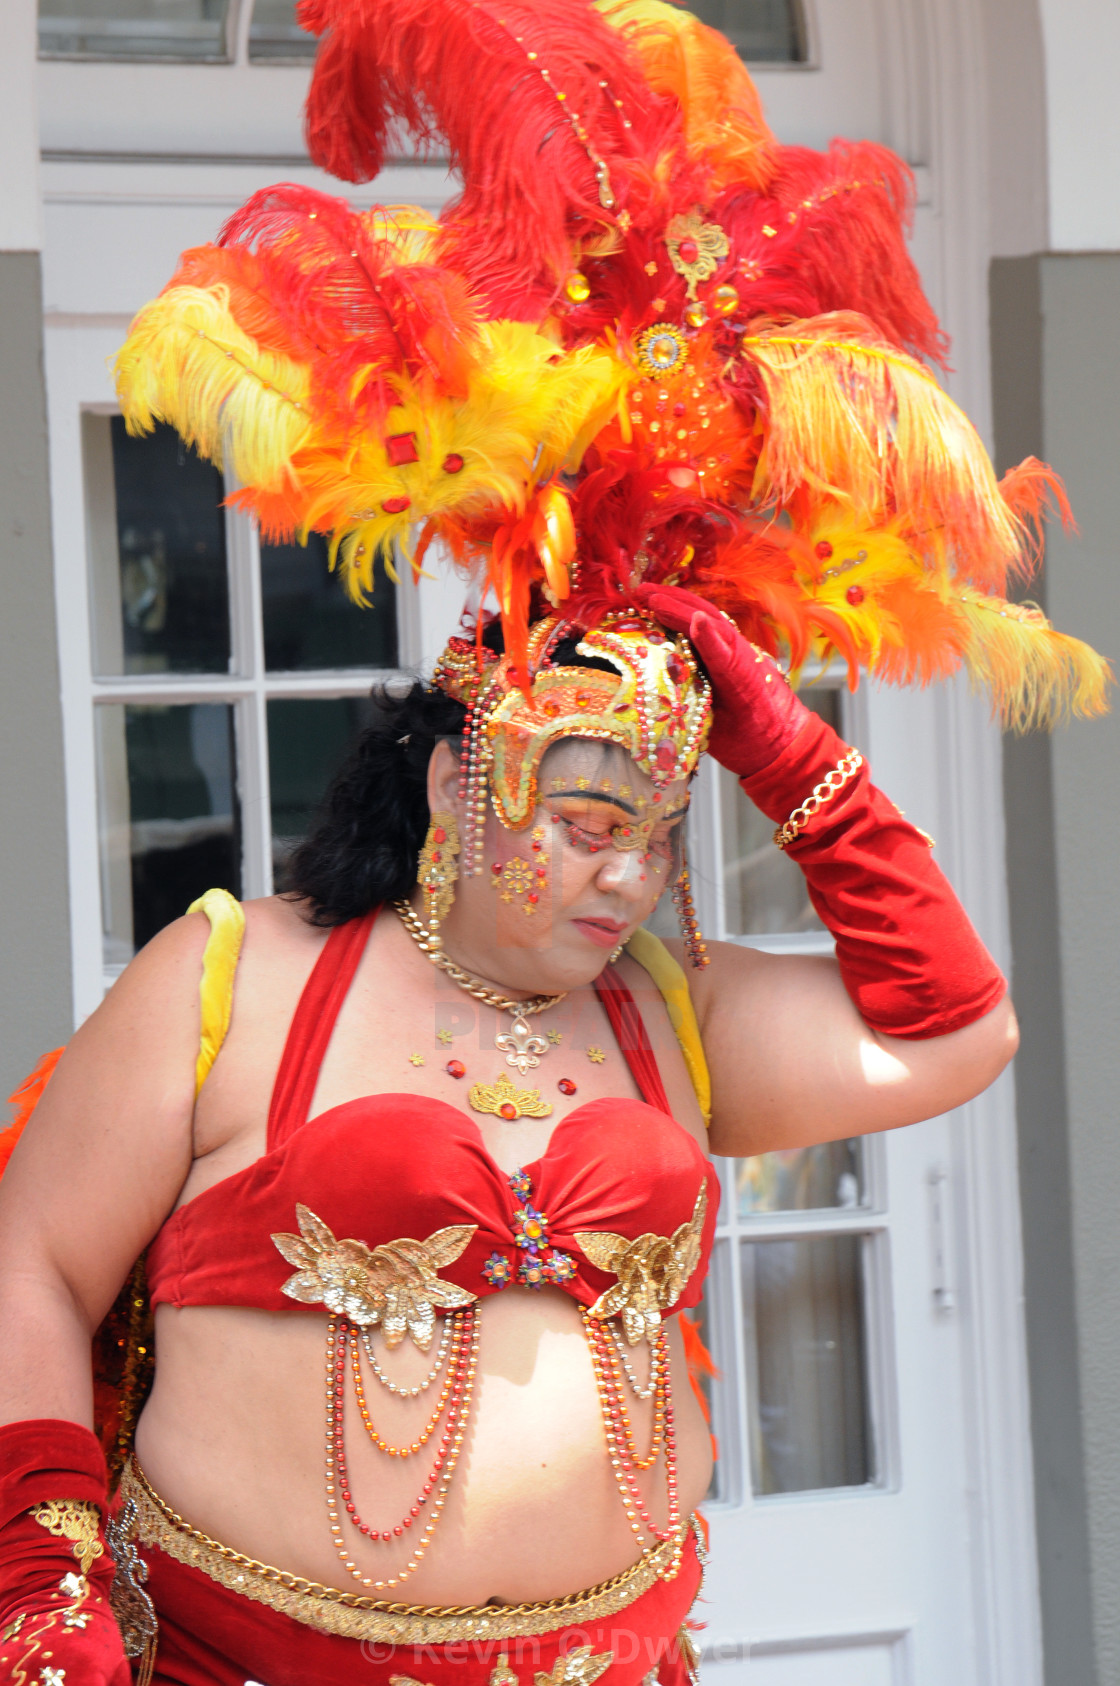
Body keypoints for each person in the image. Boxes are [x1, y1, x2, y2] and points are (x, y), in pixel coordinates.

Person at [0, 1, 1107, 1683]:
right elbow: (32, 1257)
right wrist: (43, 1569)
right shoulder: (240, 975)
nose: (629, 875)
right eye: (592, 820)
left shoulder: (667, 1006)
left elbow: (957, 1028)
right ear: (454, 785)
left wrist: (782, 740)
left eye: (663, 835)